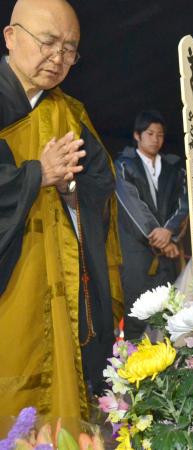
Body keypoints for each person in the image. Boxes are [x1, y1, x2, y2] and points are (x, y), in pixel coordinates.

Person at [0, 0, 123, 435]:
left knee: (63, 401)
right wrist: (37, 174)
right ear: (11, 37)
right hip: (12, 283)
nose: (58, 59)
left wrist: (71, 190)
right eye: (48, 43)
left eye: (70, 50)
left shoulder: (69, 111)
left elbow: (98, 183)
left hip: (58, 279)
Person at [115, 110, 188, 340]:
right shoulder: (124, 165)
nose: (155, 139)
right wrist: (156, 235)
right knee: (135, 316)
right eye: (150, 133)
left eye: (160, 134)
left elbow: (184, 204)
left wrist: (169, 233)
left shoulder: (174, 167)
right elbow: (131, 205)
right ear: (137, 135)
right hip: (137, 252)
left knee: (167, 315)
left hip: (168, 252)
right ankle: (132, 371)